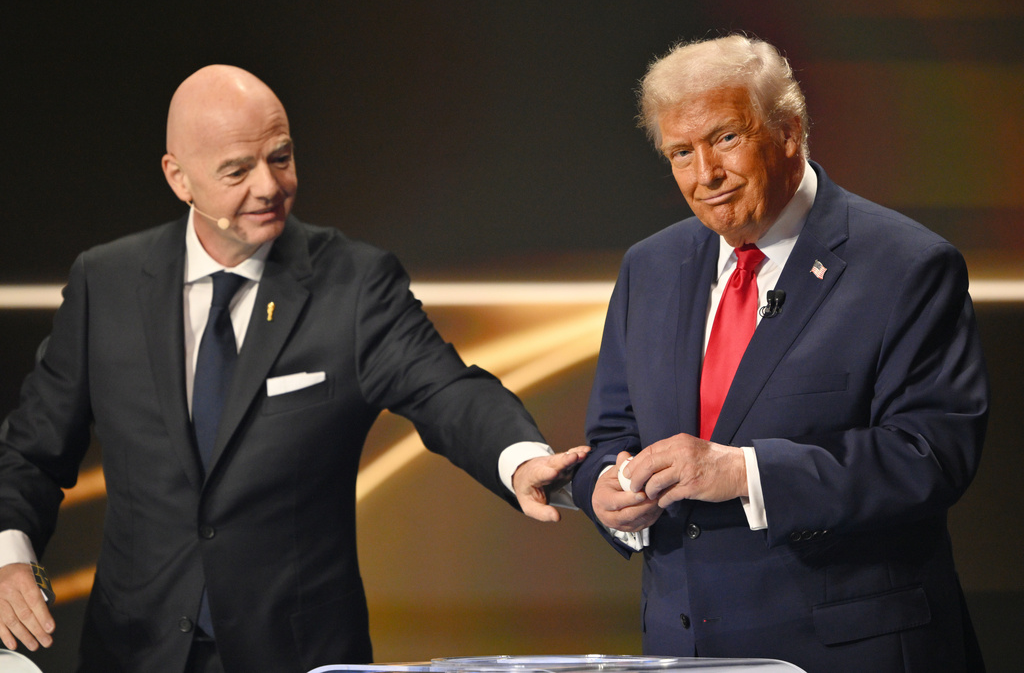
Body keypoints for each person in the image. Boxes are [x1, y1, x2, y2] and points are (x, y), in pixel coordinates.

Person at [0, 65, 586, 672]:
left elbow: (445, 389)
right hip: (134, 652)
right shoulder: (107, 284)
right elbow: (30, 453)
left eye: (281, 157)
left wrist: (517, 459)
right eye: (237, 170)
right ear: (180, 178)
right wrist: (9, 553)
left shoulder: (355, 284)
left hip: (295, 656)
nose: (269, 186)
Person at [572, 35, 988, 672]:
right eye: (681, 153)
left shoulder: (906, 266)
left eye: (726, 139)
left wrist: (744, 473)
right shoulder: (649, 268)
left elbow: (931, 454)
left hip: (850, 651)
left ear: (789, 132)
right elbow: (609, 434)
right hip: (685, 651)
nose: (704, 174)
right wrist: (607, 490)